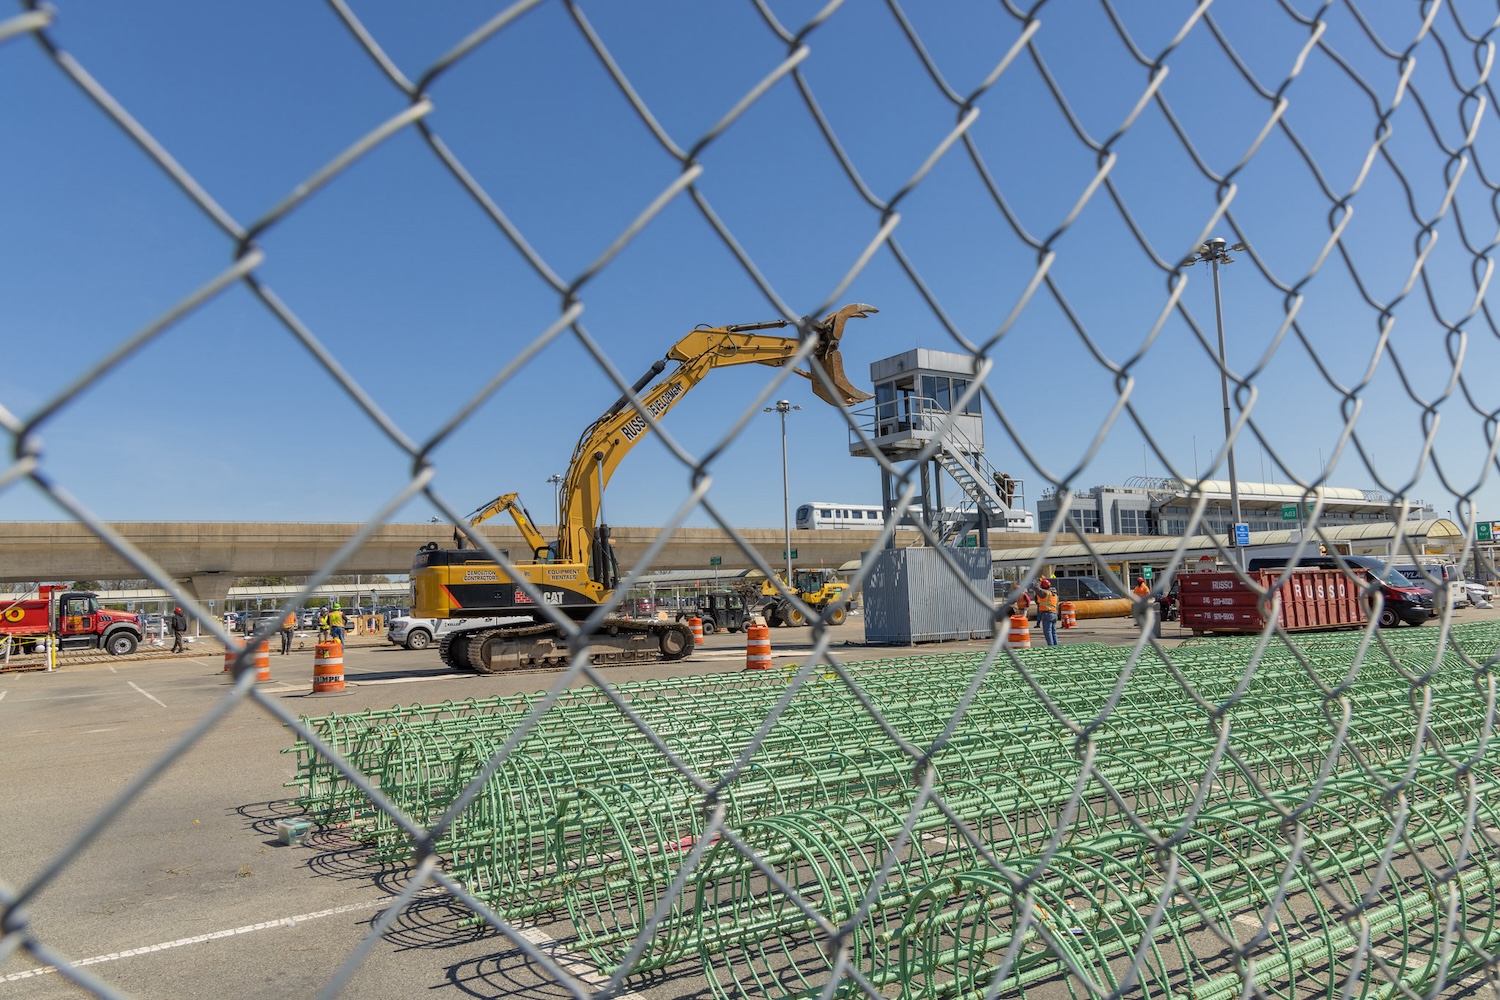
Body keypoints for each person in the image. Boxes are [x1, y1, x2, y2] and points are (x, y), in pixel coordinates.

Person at [1035, 578, 1059, 646]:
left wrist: (1039, 580)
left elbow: (1036, 588)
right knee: (1053, 632)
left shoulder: (1045, 593)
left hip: (1047, 613)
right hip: (1054, 613)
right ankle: (1056, 647)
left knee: (1048, 632)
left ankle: (1051, 647)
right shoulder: (1054, 594)